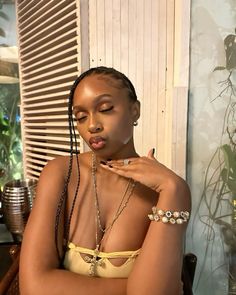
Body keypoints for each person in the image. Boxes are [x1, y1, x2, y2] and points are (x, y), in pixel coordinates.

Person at [19, 66, 191, 295]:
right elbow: (34, 288)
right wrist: (132, 288)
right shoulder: (61, 173)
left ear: (135, 110)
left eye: (106, 109)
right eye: (80, 117)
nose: (92, 125)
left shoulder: (166, 191)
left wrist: (173, 188)